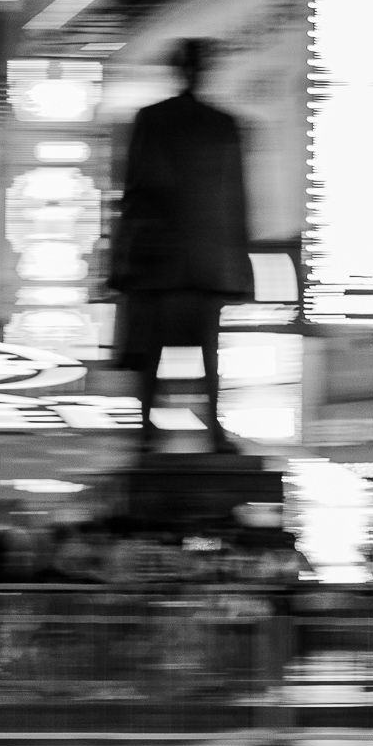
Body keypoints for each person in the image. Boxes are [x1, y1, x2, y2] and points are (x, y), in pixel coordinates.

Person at [108, 37, 251, 455]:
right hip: (199, 263)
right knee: (204, 352)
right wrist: (238, 267)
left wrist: (123, 261)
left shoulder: (152, 120)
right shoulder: (222, 125)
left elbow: (132, 194)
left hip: (161, 260)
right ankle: (206, 433)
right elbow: (236, 201)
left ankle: (151, 434)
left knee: (160, 353)